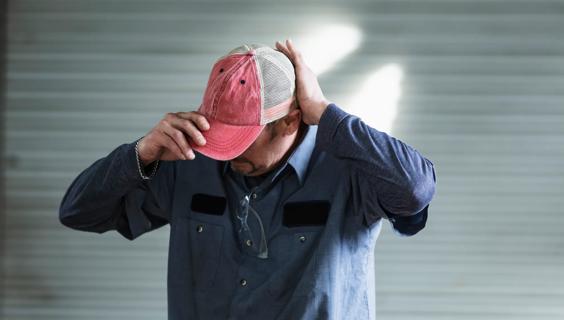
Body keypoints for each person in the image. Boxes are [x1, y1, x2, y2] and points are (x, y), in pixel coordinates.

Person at [59, 40, 436, 320]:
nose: (224, 152)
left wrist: (325, 113)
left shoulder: (348, 171)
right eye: (219, 134)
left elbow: (416, 190)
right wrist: (139, 155)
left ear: (290, 120)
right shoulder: (189, 160)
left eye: (239, 140)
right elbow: (79, 213)